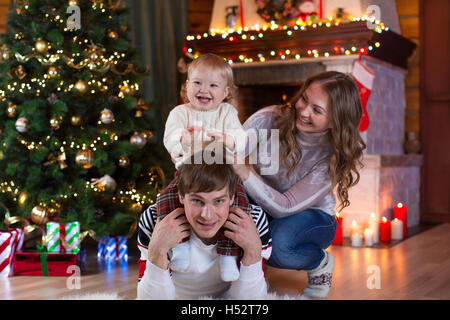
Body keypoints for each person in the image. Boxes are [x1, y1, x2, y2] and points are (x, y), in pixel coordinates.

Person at [231, 71, 366, 299]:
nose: (303, 111)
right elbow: (233, 153)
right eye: (304, 99)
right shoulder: (269, 118)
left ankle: (320, 263)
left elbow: (285, 206)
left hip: (312, 218)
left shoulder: (331, 156)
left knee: (278, 244)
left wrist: (245, 173)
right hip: (265, 204)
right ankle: (249, 274)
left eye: (317, 110)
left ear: (336, 120)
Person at [159, 53, 249, 282]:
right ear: (187, 85)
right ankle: (179, 247)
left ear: (226, 92)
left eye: (213, 85)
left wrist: (229, 140)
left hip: (222, 174)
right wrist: (183, 139)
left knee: (239, 205)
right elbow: (169, 139)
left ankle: (229, 254)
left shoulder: (227, 113)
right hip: (189, 174)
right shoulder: (180, 113)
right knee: (166, 201)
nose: (204, 90)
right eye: (197, 83)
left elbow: (241, 137)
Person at [136, 153, 272, 299]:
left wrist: (253, 251)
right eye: (197, 201)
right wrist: (157, 251)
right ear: (181, 196)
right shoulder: (155, 219)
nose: (207, 215)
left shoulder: (253, 221)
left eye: (219, 201)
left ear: (232, 197)